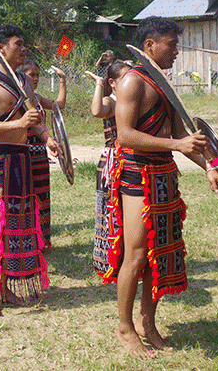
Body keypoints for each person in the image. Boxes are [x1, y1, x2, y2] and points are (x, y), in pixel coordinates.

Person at [111, 16, 218, 359]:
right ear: (149, 45)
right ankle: (125, 328)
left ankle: (147, 322)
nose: (176, 51)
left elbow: (180, 136)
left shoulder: (163, 85)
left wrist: (210, 167)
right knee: (136, 255)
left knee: (156, 254)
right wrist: (177, 145)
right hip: (137, 175)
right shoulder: (132, 81)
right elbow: (125, 135)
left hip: (163, 176)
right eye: (171, 45)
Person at [0, 24, 58, 315]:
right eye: (17, 44)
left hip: (22, 158)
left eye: (23, 44)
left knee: (14, 226)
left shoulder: (24, 80)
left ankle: (3, 285)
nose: (23, 49)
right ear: (1, 48)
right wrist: (18, 124)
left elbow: (33, 118)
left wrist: (47, 139)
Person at [85, 60, 131, 276]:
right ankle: (109, 260)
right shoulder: (110, 101)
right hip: (113, 163)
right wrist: (99, 84)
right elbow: (97, 111)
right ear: (112, 82)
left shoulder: (132, 100)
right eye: (125, 77)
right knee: (110, 210)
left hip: (131, 159)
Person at [16, 59, 67, 248]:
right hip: (24, 154)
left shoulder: (37, 98)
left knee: (41, 195)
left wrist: (62, 80)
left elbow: (59, 105)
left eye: (37, 75)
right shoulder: (17, 98)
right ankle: (27, 241)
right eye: (31, 75)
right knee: (27, 196)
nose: (36, 78)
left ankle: (42, 240)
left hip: (40, 155)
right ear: (22, 77)